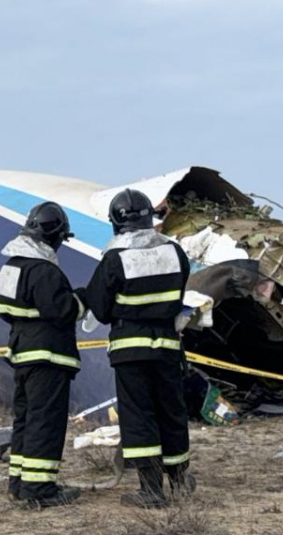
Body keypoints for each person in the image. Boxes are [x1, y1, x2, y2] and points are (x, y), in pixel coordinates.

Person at [84, 189, 194, 509]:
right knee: (171, 412)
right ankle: (179, 479)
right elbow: (179, 294)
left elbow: (100, 308)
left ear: (116, 223)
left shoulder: (114, 258)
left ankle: (151, 490)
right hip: (168, 348)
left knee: (139, 416)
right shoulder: (174, 252)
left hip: (131, 351)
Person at [0, 202, 85, 509]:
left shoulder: (12, 266)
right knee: (45, 421)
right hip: (48, 358)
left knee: (26, 419)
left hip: (21, 354)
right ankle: (39, 489)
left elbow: (3, 309)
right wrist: (82, 299)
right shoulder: (45, 271)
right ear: (56, 236)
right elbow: (63, 311)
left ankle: (19, 483)